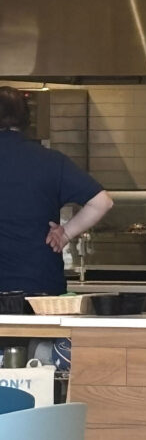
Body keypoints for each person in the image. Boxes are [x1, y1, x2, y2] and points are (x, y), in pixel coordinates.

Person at [0, 87, 113, 295]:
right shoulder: (51, 160)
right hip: (41, 287)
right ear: (26, 120)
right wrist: (66, 233)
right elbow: (102, 202)